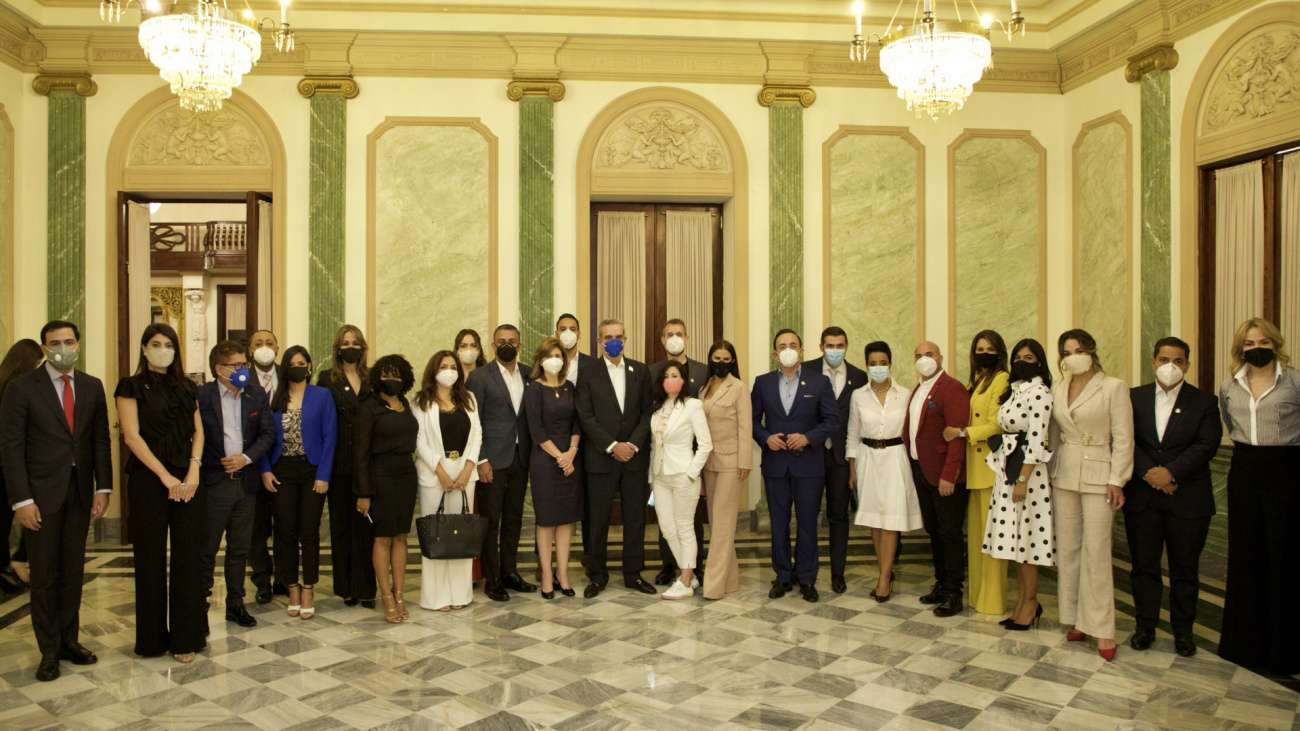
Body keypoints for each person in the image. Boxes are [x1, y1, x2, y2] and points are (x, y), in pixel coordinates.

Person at [0, 321, 113, 682]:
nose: (62, 347)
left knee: (72, 573)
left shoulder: (93, 386)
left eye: (68, 341)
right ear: (44, 348)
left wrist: (103, 488)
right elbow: (11, 448)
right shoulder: (21, 388)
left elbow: (99, 441)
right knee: (45, 577)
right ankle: (48, 652)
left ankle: (69, 641)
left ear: (78, 344)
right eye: (54, 343)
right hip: (40, 496)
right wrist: (22, 500)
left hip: (80, 492)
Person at [1125, 337, 1221, 657]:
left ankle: (1183, 632)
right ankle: (1145, 627)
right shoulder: (1133, 398)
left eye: (1178, 361)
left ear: (1187, 366)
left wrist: (1171, 473)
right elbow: (1125, 440)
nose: (1170, 366)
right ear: (1153, 362)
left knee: (1184, 570)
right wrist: (1151, 473)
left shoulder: (1205, 402)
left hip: (1188, 498)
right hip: (1143, 497)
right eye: (1164, 359)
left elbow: (1206, 445)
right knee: (1144, 568)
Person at [115, 324, 206, 662]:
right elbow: (131, 437)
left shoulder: (187, 386)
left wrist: (193, 470)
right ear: (143, 348)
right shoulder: (130, 386)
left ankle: (185, 639)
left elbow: (198, 432)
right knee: (150, 560)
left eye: (168, 344)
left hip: (189, 481)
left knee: (187, 560)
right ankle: (152, 641)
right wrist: (165, 476)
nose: (162, 349)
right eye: (156, 344)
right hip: (149, 481)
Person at [1217, 318, 1300, 674]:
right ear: (1240, 350)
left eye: (1263, 341)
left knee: (1285, 559)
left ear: (1275, 344)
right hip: (1245, 470)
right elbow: (1232, 428)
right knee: (1247, 557)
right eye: (1249, 344)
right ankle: (1244, 647)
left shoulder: (1295, 381)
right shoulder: (1228, 386)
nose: (1256, 348)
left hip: (1288, 472)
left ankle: (1286, 651)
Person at [1049, 329, 1133, 661]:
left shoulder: (1113, 387)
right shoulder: (1058, 386)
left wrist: (1118, 479)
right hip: (1064, 473)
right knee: (1068, 549)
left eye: (1079, 349)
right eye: (1067, 352)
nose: (1074, 356)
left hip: (1101, 474)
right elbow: (1054, 434)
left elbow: (1124, 437)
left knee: (1097, 552)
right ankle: (1075, 618)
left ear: (1092, 351)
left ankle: (1102, 628)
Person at [751, 329, 840, 603]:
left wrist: (808, 437)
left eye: (793, 345)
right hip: (776, 466)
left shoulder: (819, 382)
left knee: (807, 525)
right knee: (778, 524)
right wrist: (766, 438)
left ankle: (807, 578)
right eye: (782, 346)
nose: (788, 350)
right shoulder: (762, 383)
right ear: (775, 353)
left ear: (801, 351)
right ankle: (782, 575)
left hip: (809, 467)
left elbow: (832, 420)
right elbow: (752, 421)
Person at [196, 340, 275, 631]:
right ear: (219, 369)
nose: (243, 369)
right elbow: (194, 435)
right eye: (237, 365)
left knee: (240, 549)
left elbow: (267, 434)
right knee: (207, 549)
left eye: (245, 364)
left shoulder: (255, 395)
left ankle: (235, 603)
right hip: (215, 484)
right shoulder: (201, 396)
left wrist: (246, 457)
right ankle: (199, 606)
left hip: (246, 484)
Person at [575, 318, 656, 597]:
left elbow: (648, 413)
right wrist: (612, 445)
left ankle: (633, 574)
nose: (614, 341)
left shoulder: (640, 371)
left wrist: (631, 444)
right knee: (598, 520)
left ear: (625, 339)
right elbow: (585, 415)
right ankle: (597, 575)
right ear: (598, 341)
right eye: (608, 336)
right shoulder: (587, 372)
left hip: (633, 457)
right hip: (601, 459)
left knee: (635, 518)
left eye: (618, 336)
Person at [259, 346, 336, 620]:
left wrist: (324, 475)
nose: (297, 367)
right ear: (284, 367)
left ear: (310, 366)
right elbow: (264, 438)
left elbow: (330, 438)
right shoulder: (274, 398)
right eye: (292, 363)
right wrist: (265, 470)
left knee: (309, 532)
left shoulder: (322, 396)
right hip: (282, 471)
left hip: (312, 470)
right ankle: (291, 587)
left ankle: (308, 588)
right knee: (285, 532)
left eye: (302, 362)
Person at [982, 338, 1055, 630]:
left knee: (1028, 543)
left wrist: (1022, 479)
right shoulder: (1014, 391)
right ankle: (1022, 602)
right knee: (1014, 543)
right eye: (1017, 357)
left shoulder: (1040, 393)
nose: (1022, 362)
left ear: (1039, 361)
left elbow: (1037, 441)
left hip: (1028, 476)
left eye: (1029, 357)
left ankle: (1031, 602)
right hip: (1008, 470)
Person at [465, 325, 537, 601]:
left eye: (513, 341)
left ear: (520, 346)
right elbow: (474, 422)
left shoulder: (532, 374)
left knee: (514, 519)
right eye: (501, 341)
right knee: (490, 520)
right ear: (493, 347)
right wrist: (481, 459)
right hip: (492, 460)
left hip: (521, 458)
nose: (507, 345)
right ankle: (492, 578)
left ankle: (509, 572)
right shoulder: (480, 377)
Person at [846, 341, 921, 603]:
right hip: (867, 458)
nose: (878, 368)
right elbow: (853, 434)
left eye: (883, 363)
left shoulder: (906, 394)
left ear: (890, 364)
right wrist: (852, 469)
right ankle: (884, 571)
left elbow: (913, 432)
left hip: (895, 458)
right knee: (875, 521)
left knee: (889, 520)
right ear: (866, 366)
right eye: (873, 363)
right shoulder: (858, 395)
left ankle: (884, 577)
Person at [902, 341, 970, 617]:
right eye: (918, 355)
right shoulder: (919, 389)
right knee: (934, 531)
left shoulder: (952, 388)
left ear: (940, 358)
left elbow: (957, 435)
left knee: (950, 534)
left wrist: (949, 476)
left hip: (944, 476)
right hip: (922, 471)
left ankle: (954, 591)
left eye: (928, 355)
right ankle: (941, 583)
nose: (923, 359)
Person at [413, 351, 482, 612]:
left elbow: (477, 434)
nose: (449, 370)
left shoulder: (469, 398)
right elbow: (418, 440)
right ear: (434, 370)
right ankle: (436, 597)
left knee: (460, 534)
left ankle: (460, 594)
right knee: (437, 535)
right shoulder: (421, 401)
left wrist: (467, 468)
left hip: (465, 474)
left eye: (453, 366)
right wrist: (440, 470)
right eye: (444, 366)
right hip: (434, 476)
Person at [355, 354, 419, 623]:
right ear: (377, 377)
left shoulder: (405, 404)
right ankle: (386, 597)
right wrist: (364, 492)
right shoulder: (368, 407)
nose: (391, 379)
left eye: (396, 374)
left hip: (406, 475)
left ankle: (400, 593)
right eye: (386, 374)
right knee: (382, 537)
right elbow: (360, 454)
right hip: (380, 477)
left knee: (401, 536)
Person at [949, 330, 1010, 616]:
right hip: (973, 471)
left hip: (990, 470)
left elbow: (997, 424)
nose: (984, 353)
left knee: (993, 538)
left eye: (989, 349)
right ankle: (977, 597)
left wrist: (962, 432)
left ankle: (993, 600)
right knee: (976, 539)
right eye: (979, 349)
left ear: (999, 352)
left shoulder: (1002, 380)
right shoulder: (976, 381)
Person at [318, 325, 377, 608]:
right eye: (345, 342)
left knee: (365, 530)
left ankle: (366, 588)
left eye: (355, 342)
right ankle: (346, 589)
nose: (350, 347)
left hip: (367, 465)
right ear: (337, 348)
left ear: (362, 347)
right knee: (340, 528)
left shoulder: (372, 378)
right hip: (338, 464)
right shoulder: (325, 379)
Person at [648, 319, 711, 587]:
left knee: (688, 526)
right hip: (660, 473)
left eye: (679, 334)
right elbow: (653, 441)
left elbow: (705, 441)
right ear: (663, 340)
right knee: (667, 527)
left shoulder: (701, 376)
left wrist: (692, 473)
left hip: (687, 468)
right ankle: (679, 570)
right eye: (669, 334)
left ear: (687, 336)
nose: (670, 380)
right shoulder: (654, 389)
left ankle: (689, 574)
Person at [806, 326, 866, 594]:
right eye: (830, 345)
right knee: (807, 515)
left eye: (840, 345)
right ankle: (804, 571)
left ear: (846, 347)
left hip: (841, 458)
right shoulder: (805, 371)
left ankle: (838, 573)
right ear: (821, 347)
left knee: (838, 516)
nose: (835, 350)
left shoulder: (859, 377)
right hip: (809, 454)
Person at [525, 338, 583, 599]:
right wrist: (560, 457)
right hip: (544, 461)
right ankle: (546, 575)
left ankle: (563, 574)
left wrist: (571, 453)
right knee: (547, 519)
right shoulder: (534, 389)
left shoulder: (570, 387)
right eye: (549, 355)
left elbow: (577, 423)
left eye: (558, 354)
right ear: (540, 360)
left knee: (565, 520)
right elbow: (535, 429)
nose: (554, 358)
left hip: (570, 458)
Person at [699, 341, 751, 601]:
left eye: (726, 358)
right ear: (710, 359)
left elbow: (745, 427)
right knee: (718, 523)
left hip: (732, 463)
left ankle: (713, 586)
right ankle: (729, 580)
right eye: (717, 357)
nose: (721, 362)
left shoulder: (739, 387)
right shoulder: (705, 386)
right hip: (709, 463)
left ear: (733, 361)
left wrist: (745, 462)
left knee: (722, 525)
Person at [0, 338, 42, 594]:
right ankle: (14, 563)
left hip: (7, 462)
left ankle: (9, 565)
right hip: (12, 464)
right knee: (33, 515)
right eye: (37, 363)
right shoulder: (18, 389)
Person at [247, 329, 283, 603]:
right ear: (250, 350)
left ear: (278, 348)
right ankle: (262, 580)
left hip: (284, 463)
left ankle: (283, 577)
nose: (264, 347)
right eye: (258, 343)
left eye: (269, 343)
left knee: (284, 525)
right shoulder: (241, 379)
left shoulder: (288, 377)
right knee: (256, 528)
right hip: (251, 462)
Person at [556, 313, 593, 386]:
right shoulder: (548, 362)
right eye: (563, 329)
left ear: (578, 334)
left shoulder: (592, 364)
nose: (568, 333)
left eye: (572, 329)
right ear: (556, 334)